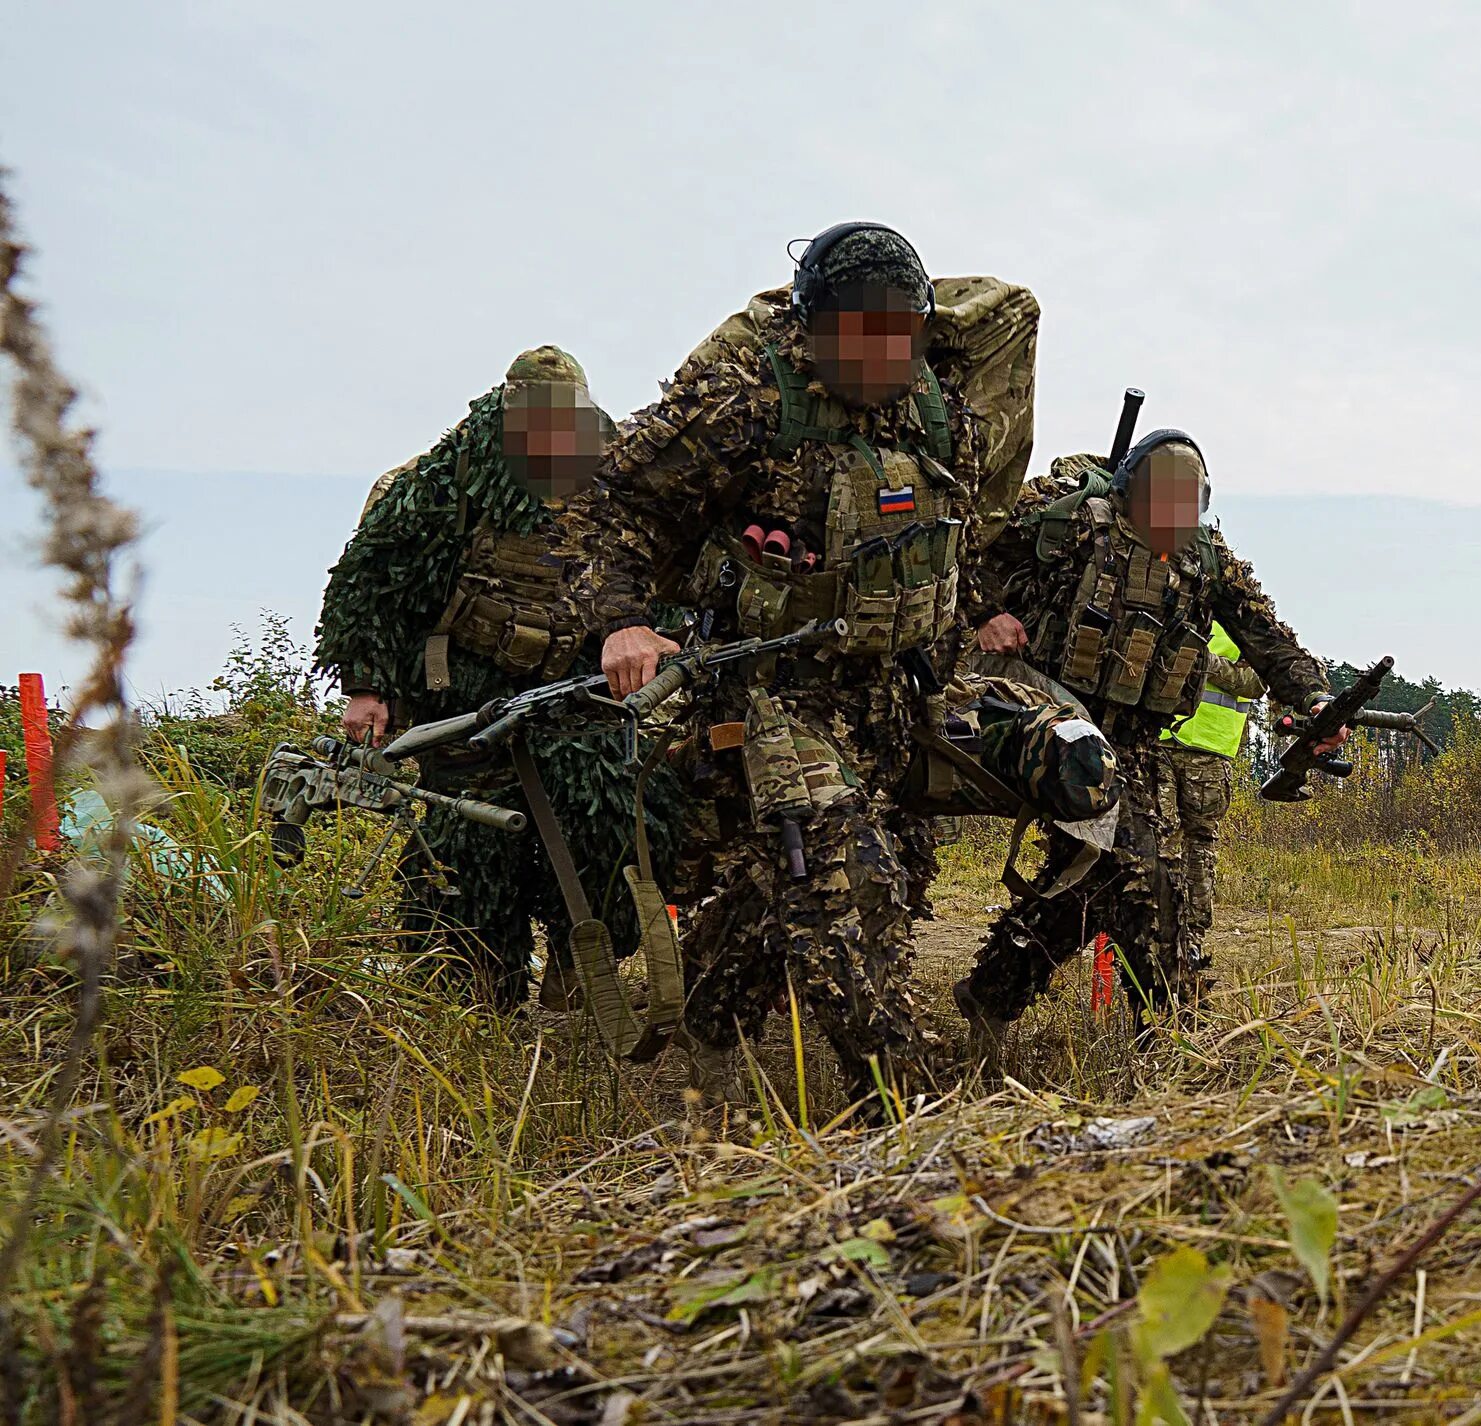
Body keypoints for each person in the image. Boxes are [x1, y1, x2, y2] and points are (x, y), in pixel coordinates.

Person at [565, 222, 986, 1106]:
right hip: (768, 688)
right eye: (861, 332)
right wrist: (623, 623)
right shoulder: (742, 400)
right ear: (813, 327)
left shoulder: (940, 411)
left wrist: (963, 638)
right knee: (841, 876)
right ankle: (905, 1108)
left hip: (889, 690)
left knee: (796, 882)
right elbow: (614, 500)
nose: (883, 352)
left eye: (901, 331)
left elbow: (960, 540)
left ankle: (708, 1021)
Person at [314, 347, 676, 1009]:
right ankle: (475, 1000)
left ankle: (580, 963)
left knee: (614, 818)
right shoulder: (436, 484)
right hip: (462, 691)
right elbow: (370, 586)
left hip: (575, 689)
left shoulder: (615, 481)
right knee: (469, 847)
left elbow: (657, 569)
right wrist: (366, 688)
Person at [954, 433, 1341, 1043]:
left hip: (1127, 742)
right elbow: (961, 545)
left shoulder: (1206, 558)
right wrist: (984, 613)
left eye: (1188, 505)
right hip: (1041, 718)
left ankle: (992, 994)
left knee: (1092, 879)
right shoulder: (1072, 521)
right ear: (1131, 492)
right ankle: (1173, 1039)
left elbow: (1266, 637)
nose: (1174, 518)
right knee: (1147, 879)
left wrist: (1315, 698)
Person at [1158, 622, 1262, 969]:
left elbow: (1256, 683)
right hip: (1156, 741)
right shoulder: (1174, 608)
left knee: (1199, 846)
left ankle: (1191, 938)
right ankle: (1152, 929)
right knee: (1156, 839)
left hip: (1210, 750)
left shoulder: (1240, 620)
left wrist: (1205, 662)